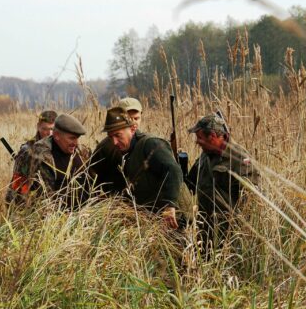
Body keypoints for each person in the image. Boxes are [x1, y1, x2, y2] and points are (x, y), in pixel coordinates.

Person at [185, 112, 258, 256]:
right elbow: (190, 184)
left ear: (212, 136)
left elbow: (251, 200)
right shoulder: (205, 155)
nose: (196, 142)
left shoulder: (240, 159)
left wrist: (239, 233)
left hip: (229, 235)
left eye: (199, 138)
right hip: (205, 230)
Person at [101, 106, 183, 229]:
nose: (114, 142)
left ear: (133, 129)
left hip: (175, 219)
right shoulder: (128, 152)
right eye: (110, 137)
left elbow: (173, 170)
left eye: (118, 135)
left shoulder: (149, 144)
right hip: (158, 223)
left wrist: (170, 206)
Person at [17, 113, 91, 208]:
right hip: (48, 218)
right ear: (56, 135)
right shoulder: (33, 154)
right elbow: (16, 191)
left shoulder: (82, 152)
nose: (76, 143)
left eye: (77, 138)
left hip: (80, 216)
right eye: (72, 138)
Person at [90, 97, 143, 194]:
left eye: (136, 118)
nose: (133, 123)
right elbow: (92, 177)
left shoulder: (143, 142)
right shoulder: (106, 147)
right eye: (129, 118)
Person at [6, 110, 57, 204]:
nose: (49, 133)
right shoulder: (28, 150)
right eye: (45, 129)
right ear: (38, 126)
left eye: (52, 129)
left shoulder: (62, 147)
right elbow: (17, 186)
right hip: (35, 204)